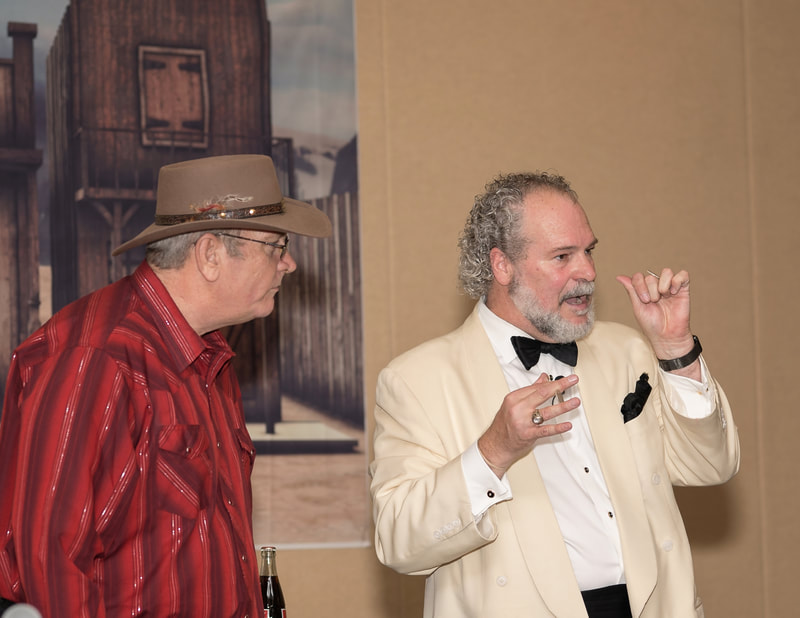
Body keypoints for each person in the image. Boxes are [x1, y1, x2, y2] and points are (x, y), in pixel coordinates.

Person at [369, 171, 740, 618]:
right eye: (563, 256)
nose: (588, 273)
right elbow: (398, 542)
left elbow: (709, 467)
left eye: (589, 251)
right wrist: (493, 451)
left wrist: (676, 350)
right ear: (502, 265)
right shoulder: (417, 380)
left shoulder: (627, 349)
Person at [0, 154, 331, 617]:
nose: (288, 264)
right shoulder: (96, 356)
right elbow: (49, 561)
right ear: (210, 255)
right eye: (276, 246)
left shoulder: (210, 358)